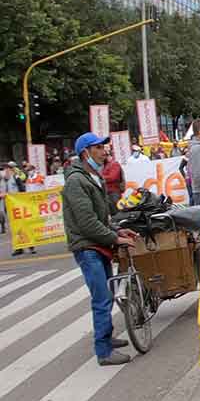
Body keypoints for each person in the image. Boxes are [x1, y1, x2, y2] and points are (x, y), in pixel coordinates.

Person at [63, 132, 136, 366]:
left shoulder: (94, 177)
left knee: (108, 292)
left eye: (104, 147)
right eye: (99, 147)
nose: (105, 151)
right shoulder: (77, 181)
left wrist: (117, 230)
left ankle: (108, 336)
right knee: (102, 298)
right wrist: (115, 239)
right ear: (86, 153)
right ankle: (103, 351)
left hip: (98, 244)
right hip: (88, 247)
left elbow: (101, 217)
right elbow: (87, 223)